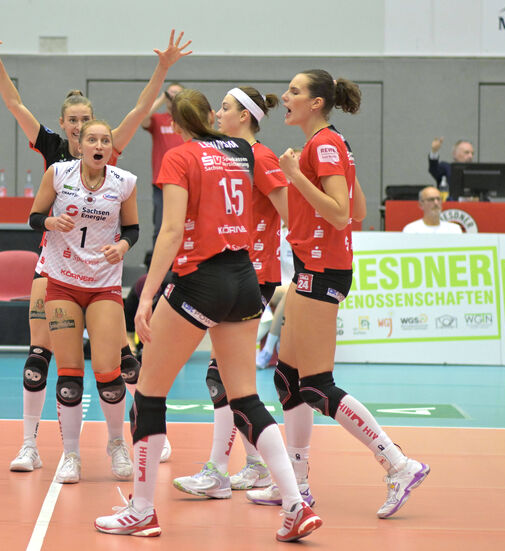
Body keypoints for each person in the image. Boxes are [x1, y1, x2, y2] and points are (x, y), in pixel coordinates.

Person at [94, 88, 320, 542]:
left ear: (176, 124)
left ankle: (141, 510)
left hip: (201, 277)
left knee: (149, 394)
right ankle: (295, 503)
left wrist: (147, 296)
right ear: (209, 119)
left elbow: (172, 229)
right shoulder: (240, 149)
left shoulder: (179, 157)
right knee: (246, 398)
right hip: (245, 276)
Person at [0, 22, 190, 472]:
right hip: (52, 267)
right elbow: (14, 103)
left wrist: (161, 69)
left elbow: (139, 109)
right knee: (41, 357)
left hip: (101, 272)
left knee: (121, 362)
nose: (78, 128)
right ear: (62, 124)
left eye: (85, 121)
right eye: (72, 121)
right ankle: (31, 445)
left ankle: (147, 432)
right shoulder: (54, 153)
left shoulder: (108, 153)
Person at [246, 70, 429, 519]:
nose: (285, 97)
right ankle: (296, 485)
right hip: (316, 266)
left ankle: (397, 463)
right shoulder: (333, 144)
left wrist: (295, 176)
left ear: (315, 103)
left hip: (323, 270)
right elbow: (361, 208)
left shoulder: (322, 146)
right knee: (287, 380)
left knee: (316, 385)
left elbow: (343, 214)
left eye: (294, 91)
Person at [172, 86, 290, 499]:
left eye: (224, 108)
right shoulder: (230, 154)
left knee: (221, 376)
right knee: (224, 378)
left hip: (253, 275)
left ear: (244, 116)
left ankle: (220, 471)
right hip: (237, 273)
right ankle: (255, 466)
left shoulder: (259, 155)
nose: (217, 114)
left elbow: (289, 209)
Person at [28, 119, 142, 484]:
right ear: (79, 145)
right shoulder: (59, 174)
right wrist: (51, 223)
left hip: (103, 284)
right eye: (91, 139)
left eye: (104, 140)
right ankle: (71, 454)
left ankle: (116, 443)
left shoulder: (124, 182)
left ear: (111, 148)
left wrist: (122, 246)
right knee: (69, 376)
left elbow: (134, 229)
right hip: (61, 283)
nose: (98, 144)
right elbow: (33, 217)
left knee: (110, 373)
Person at [141, 82, 186, 243]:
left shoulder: (186, 121)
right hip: (162, 182)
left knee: (185, 226)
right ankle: (159, 267)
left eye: (177, 94)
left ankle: (181, 266)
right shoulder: (158, 119)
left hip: (185, 182)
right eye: (170, 93)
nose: (172, 97)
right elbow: (143, 119)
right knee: (160, 226)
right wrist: (162, 98)